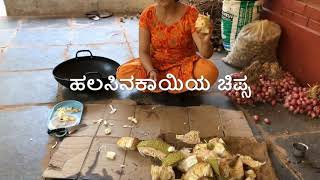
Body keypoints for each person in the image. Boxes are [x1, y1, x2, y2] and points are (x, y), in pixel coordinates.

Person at [116, 0, 219, 93]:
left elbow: (206, 54)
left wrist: (205, 42)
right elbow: (143, 52)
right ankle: (177, 85)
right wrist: (150, 70)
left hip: (185, 65)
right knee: (123, 73)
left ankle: (163, 85)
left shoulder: (190, 14)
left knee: (210, 72)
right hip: (156, 65)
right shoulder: (148, 14)